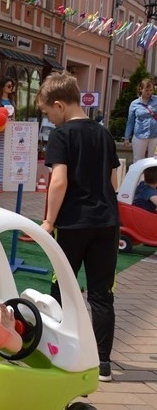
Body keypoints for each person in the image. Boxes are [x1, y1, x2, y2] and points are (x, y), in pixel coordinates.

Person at [37, 71, 120, 382]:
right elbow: (113, 182)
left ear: (59, 105)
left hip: (72, 223)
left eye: (48, 113)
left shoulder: (62, 136)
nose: (50, 120)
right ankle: (103, 365)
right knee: (102, 295)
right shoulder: (104, 134)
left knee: (62, 289)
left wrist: (48, 221)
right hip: (107, 222)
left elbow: (58, 181)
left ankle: (58, 352)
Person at [0, 77, 17, 186]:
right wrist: (5, 120)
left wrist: (13, 121)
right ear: (3, 87)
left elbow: (14, 115)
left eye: (12, 86)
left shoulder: (11, 101)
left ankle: (4, 176)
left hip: (9, 131)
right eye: (9, 86)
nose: (11, 88)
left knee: (7, 154)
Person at [123, 78, 157, 163]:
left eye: (151, 90)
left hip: (155, 136)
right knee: (138, 161)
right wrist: (126, 137)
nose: (149, 92)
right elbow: (130, 122)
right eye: (146, 90)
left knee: (153, 161)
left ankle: (151, 177)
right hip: (140, 135)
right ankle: (138, 176)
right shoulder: (134, 104)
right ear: (141, 89)